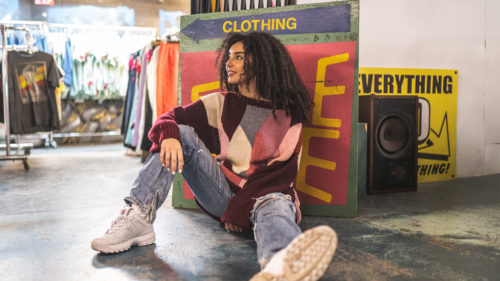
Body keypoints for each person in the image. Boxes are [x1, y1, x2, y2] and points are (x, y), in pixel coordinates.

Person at [91, 32, 338, 281]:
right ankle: (138, 215)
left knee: (274, 206)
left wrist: (240, 209)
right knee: (181, 133)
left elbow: (279, 176)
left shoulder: (289, 113)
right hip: (223, 195)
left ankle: (281, 266)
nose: (228, 63)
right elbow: (168, 118)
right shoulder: (221, 103)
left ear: (261, 63)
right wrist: (169, 135)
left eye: (238, 57)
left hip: (269, 194)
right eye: (229, 57)